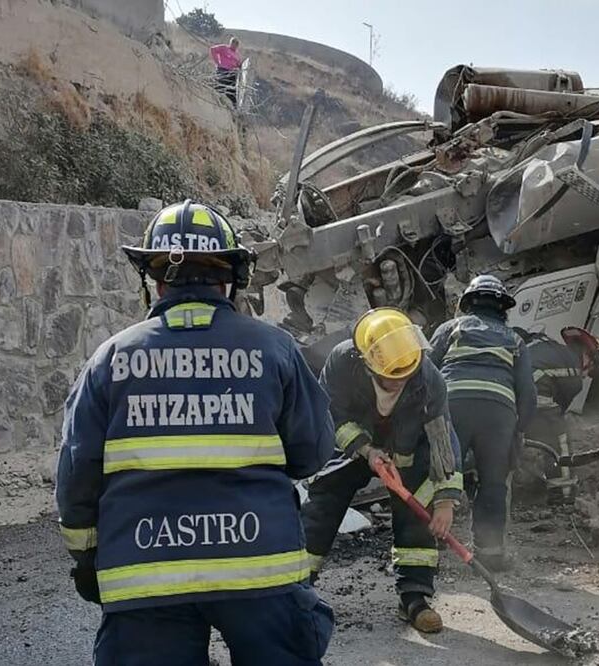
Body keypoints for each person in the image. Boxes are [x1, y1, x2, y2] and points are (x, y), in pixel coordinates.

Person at [55, 200, 336, 666]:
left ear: (155, 279)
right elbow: (312, 453)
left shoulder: (109, 359)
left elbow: (75, 475)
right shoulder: (276, 348)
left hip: (145, 576)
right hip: (259, 571)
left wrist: (86, 558)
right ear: (229, 278)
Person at [303, 307, 462, 634]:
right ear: (367, 363)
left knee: (418, 513)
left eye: (407, 373)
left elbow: (442, 440)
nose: (402, 380)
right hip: (353, 447)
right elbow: (329, 416)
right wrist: (366, 449)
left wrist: (445, 501)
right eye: (393, 376)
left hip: (408, 454)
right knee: (323, 501)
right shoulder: (342, 363)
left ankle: (414, 598)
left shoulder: (426, 376)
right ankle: (295, 588)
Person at [429, 275, 535, 572]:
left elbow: (426, 370)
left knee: (441, 470)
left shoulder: (451, 328)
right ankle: (490, 555)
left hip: (452, 406)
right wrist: (519, 430)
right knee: (493, 482)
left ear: (468, 304)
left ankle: (428, 545)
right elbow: (527, 393)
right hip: (498, 414)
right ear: (503, 309)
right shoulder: (515, 340)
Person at [518, 326, 599, 503]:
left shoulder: (547, 350)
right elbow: (557, 412)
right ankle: (563, 492)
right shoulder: (572, 370)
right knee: (558, 435)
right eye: (590, 371)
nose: (586, 376)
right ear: (588, 357)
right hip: (527, 391)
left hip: (505, 390)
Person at [209, 37, 243, 106]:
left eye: (236, 44)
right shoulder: (224, 48)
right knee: (220, 87)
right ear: (230, 43)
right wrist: (217, 62)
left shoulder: (237, 54)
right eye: (233, 43)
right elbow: (213, 49)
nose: (235, 45)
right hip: (223, 70)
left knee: (232, 91)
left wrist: (239, 67)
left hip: (232, 73)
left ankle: (234, 107)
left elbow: (238, 64)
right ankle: (214, 102)